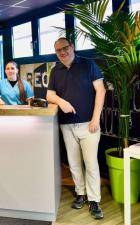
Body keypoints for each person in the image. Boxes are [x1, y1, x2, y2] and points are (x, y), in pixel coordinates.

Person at [46, 37, 106, 220]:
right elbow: (49, 95)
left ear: (72, 47)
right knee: (73, 163)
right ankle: (80, 193)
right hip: (66, 125)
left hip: (89, 124)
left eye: (65, 48)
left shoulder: (88, 65)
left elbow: (101, 91)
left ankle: (94, 200)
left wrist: (95, 118)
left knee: (91, 164)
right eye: (58, 50)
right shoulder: (55, 70)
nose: (62, 52)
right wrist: (60, 100)